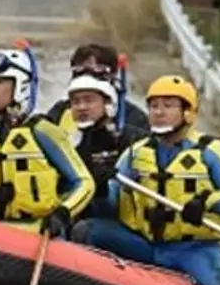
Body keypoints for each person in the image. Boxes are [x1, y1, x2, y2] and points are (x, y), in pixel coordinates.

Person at [77, 75, 220, 285]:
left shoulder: (212, 151)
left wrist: (208, 202)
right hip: (145, 244)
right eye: (154, 106)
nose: (159, 113)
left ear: (188, 112)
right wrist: (102, 188)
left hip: (194, 249)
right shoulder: (137, 153)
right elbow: (113, 203)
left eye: (168, 106)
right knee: (87, 231)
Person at [0, 46, 96, 237]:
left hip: (38, 231)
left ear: (20, 86)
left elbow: (84, 182)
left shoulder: (43, 132)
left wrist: (62, 214)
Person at [46, 73, 147, 222]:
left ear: (107, 104)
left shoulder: (133, 138)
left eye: (89, 100)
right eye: (76, 102)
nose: (81, 107)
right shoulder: (67, 142)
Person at [70, 43, 148, 130]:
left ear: (112, 74)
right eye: (80, 70)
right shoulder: (60, 111)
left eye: (97, 68)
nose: (82, 107)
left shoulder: (134, 118)